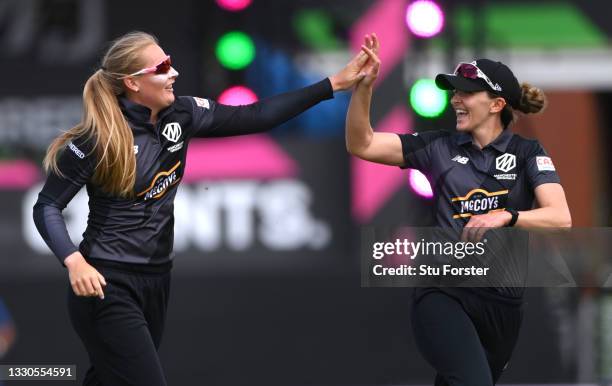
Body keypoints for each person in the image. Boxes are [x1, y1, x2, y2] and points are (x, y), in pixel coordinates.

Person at [32, 31, 370, 386]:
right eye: (161, 67)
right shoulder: (97, 140)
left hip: (156, 280)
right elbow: (47, 206)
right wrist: (74, 261)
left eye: (171, 62)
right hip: (105, 284)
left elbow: (257, 115)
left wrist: (333, 84)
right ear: (132, 82)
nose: (173, 72)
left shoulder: (183, 114)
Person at [346, 34, 571, 386]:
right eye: (454, 92)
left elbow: (560, 218)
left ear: (496, 104)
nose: (456, 100)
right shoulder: (437, 146)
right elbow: (362, 143)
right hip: (444, 291)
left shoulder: (528, 152)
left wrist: (508, 216)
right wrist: (364, 89)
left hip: (503, 306)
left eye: (466, 92)